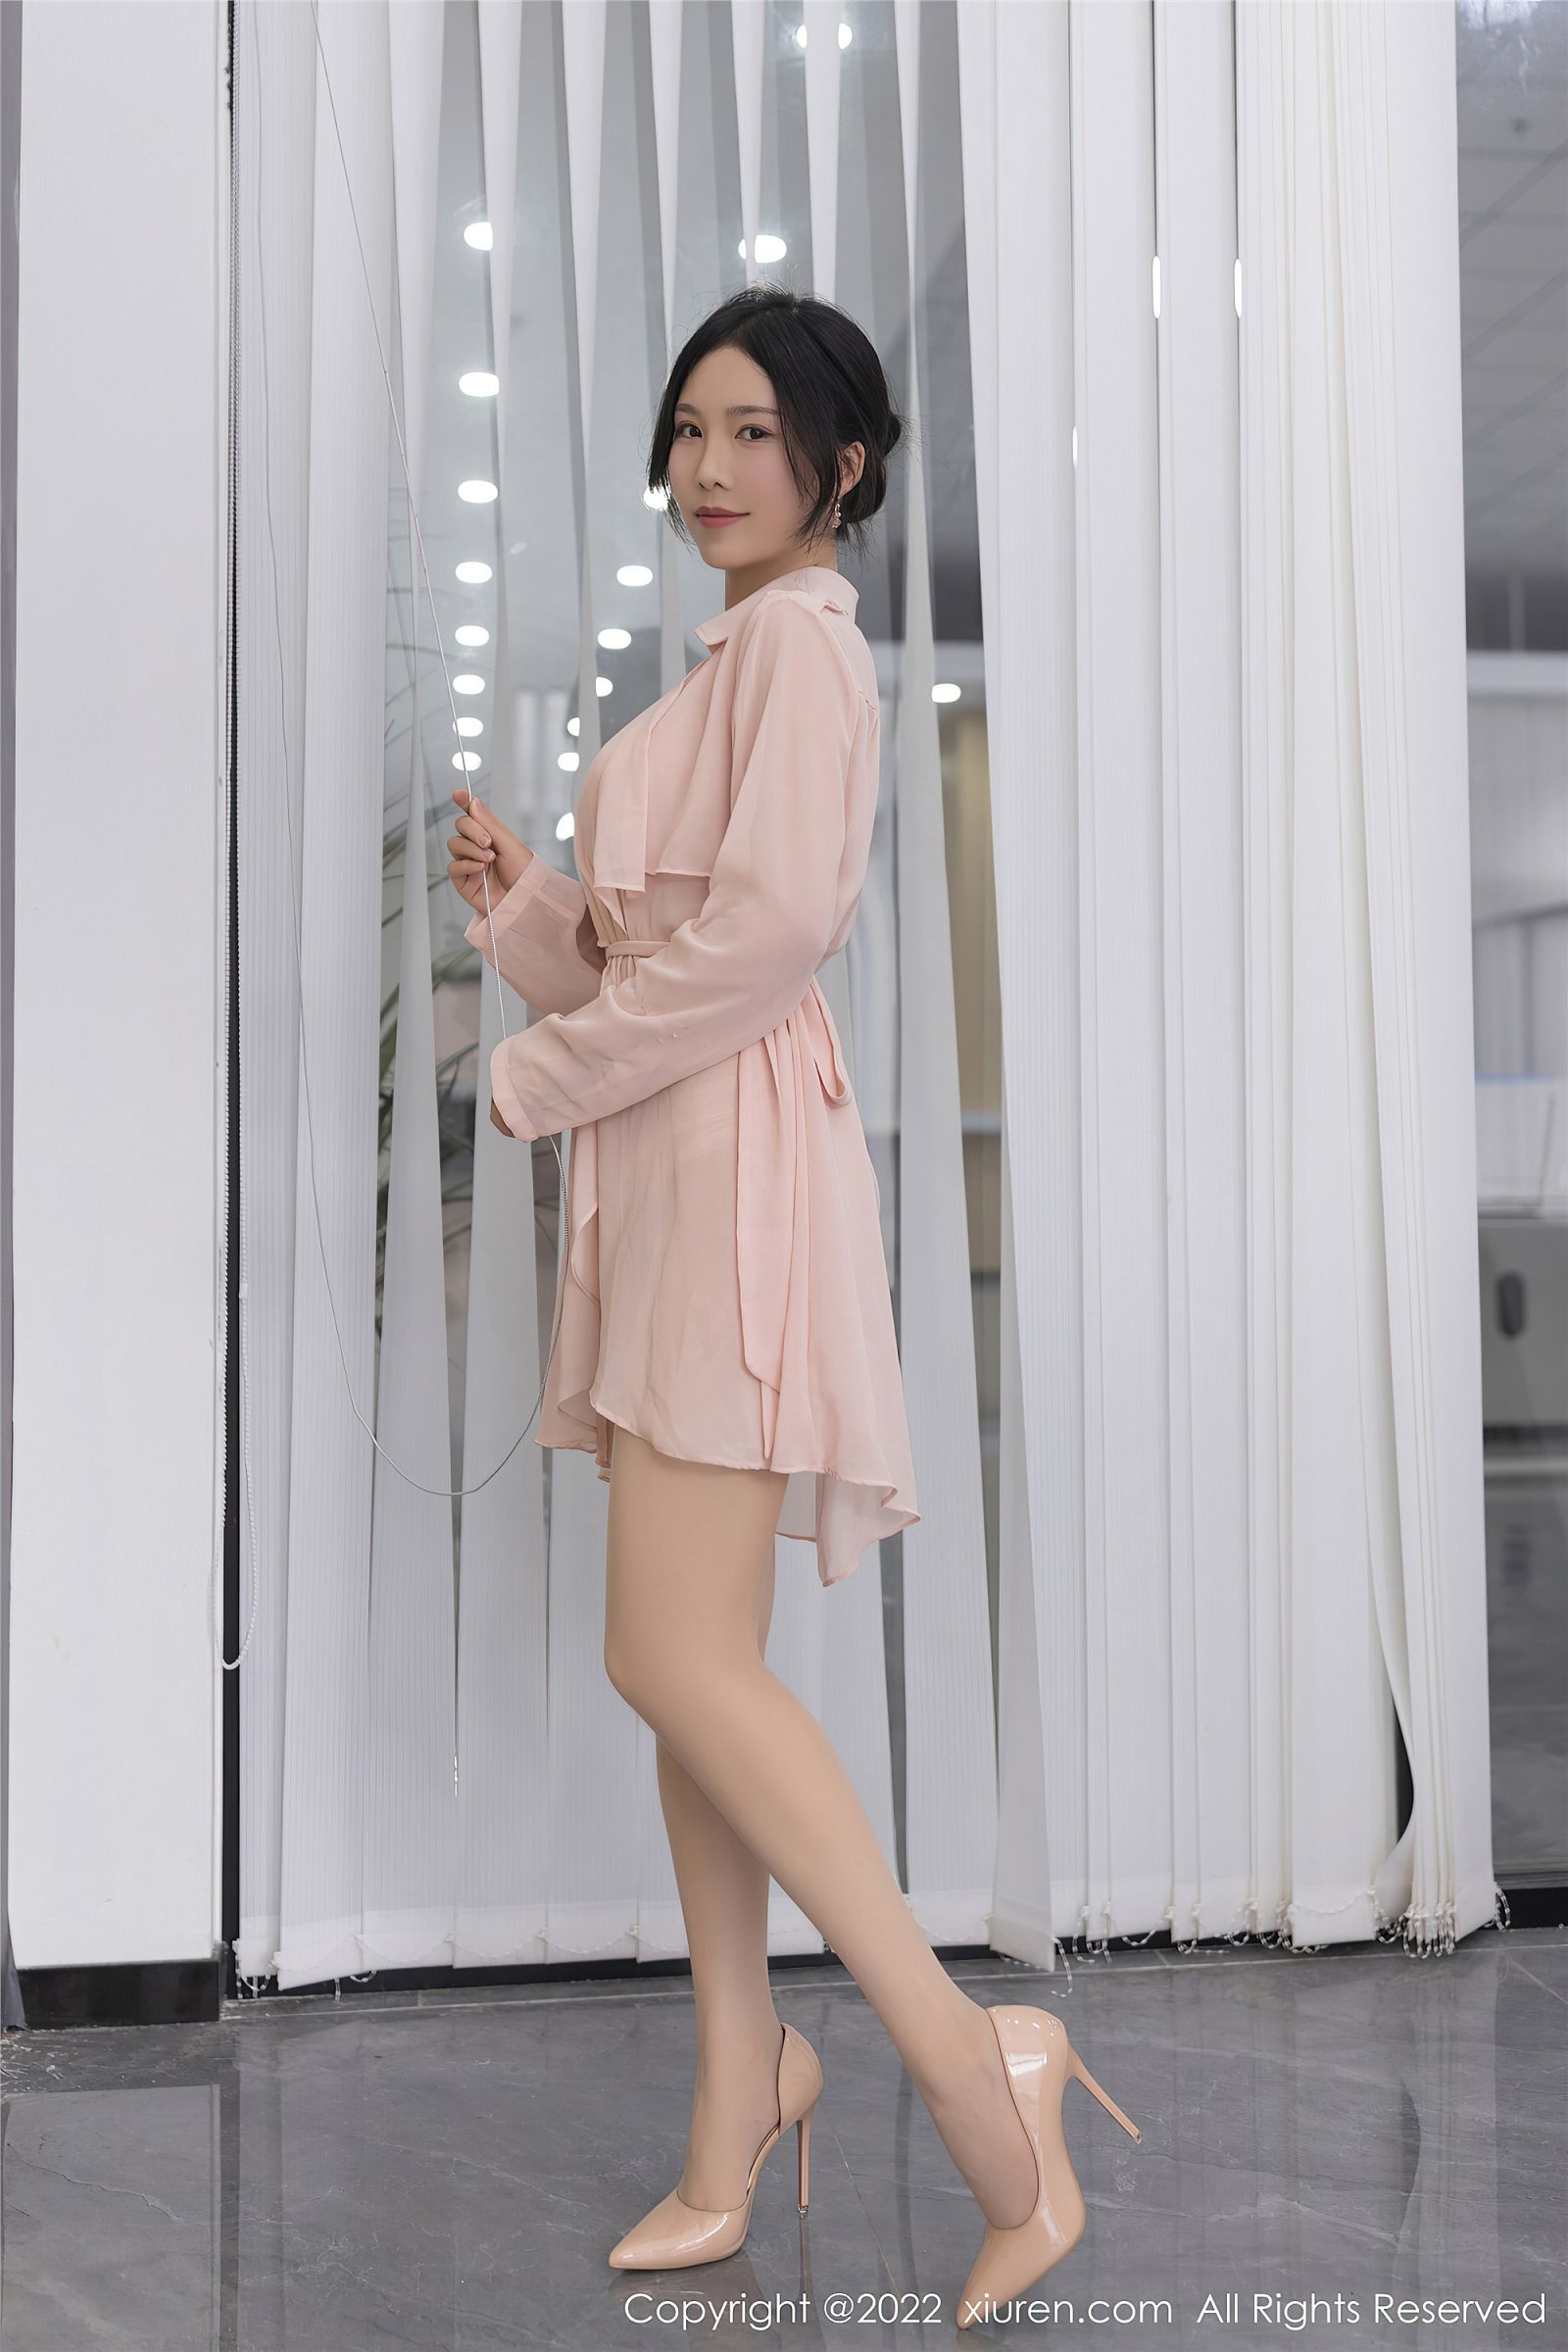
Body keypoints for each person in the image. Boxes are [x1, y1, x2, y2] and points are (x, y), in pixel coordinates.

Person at [445, 286, 1139, 2322]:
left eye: (750, 430)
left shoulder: (807, 653)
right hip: (683, 1163)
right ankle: (743, 2082)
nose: (707, 466)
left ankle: (972, 2067)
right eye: (688, 431)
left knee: (672, 1658)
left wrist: (543, 1066)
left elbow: (766, 940)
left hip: (732, 1177)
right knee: (692, 1668)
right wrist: (532, 922)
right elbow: (663, 959)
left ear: (839, 463)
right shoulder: (734, 661)